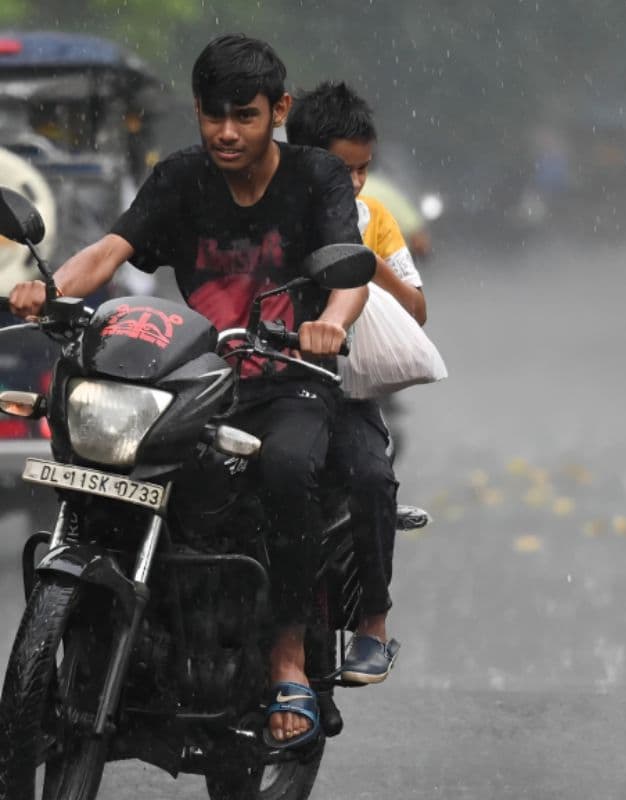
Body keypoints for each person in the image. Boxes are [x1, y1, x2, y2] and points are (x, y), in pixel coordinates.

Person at [8, 34, 368, 751]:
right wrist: (47, 292)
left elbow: (349, 273)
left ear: (279, 111)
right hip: (200, 380)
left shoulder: (317, 176)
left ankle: (288, 658)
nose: (226, 132)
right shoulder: (179, 178)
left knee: (287, 470)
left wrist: (329, 322)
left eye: (245, 115)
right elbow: (109, 251)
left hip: (291, 382)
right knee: (124, 473)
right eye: (213, 115)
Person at [285, 80, 425, 684]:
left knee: (371, 477)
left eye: (364, 170)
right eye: (343, 171)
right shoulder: (270, 210)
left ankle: (373, 625)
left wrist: (366, 264)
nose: (356, 183)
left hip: (343, 388)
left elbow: (417, 308)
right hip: (273, 382)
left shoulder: (376, 220)